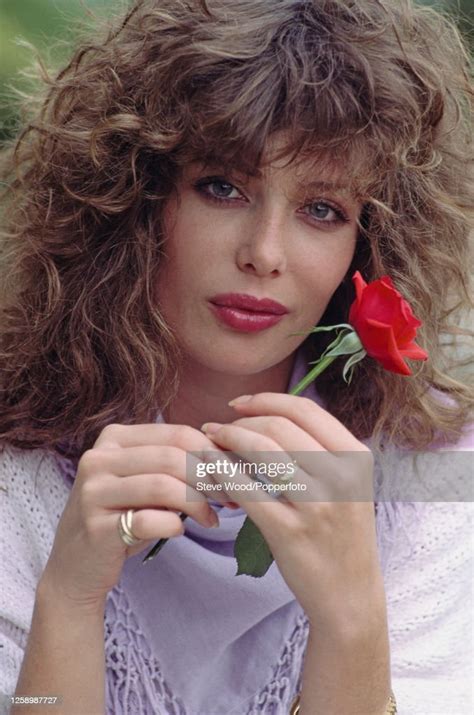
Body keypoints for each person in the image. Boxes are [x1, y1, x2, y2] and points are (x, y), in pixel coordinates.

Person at [0, 0, 472, 713]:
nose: (264, 253)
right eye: (222, 187)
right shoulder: (18, 467)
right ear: (136, 197)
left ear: (368, 245)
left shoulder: (432, 471)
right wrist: (67, 600)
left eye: (323, 210)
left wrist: (350, 623)